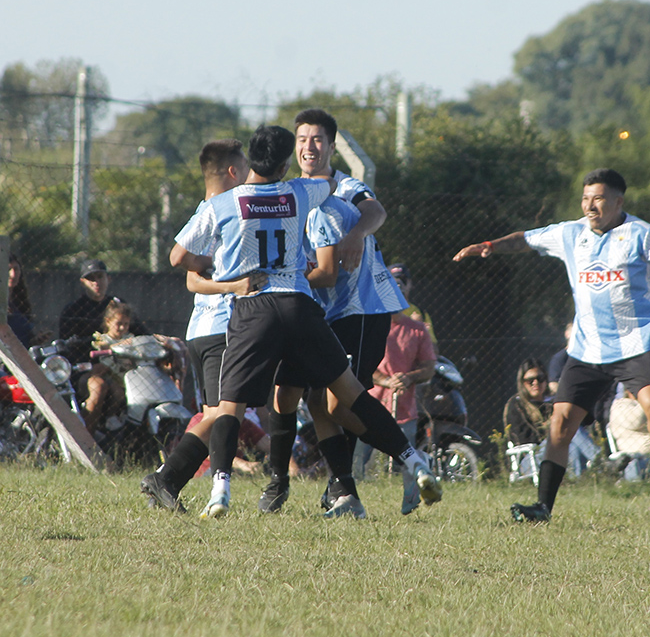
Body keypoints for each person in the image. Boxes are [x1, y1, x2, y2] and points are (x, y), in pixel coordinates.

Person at [168, 125, 440, 519]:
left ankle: (220, 490)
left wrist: (210, 267)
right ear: (283, 162)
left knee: (231, 405)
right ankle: (413, 460)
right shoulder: (298, 191)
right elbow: (328, 183)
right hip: (300, 305)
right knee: (350, 392)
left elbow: (178, 257)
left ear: (248, 164)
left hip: (254, 310)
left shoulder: (224, 204)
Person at [454, 167, 650, 522]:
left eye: (598, 199)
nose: (590, 206)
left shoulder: (641, 233)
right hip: (587, 348)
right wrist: (490, 246)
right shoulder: (571, 233)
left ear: (618, 201)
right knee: (560, 425)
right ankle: (543, 508)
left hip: (634, 343)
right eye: (585, 199)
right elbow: (525, 239)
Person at [291, 109, 426, 515]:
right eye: (302, 139)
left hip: (362, 309)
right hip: (326, 314)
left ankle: (403, 462)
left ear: (332, 147)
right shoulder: (294, 193)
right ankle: (346, 489)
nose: (309, 147)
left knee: (337, 402)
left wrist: (355, 234)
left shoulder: (346, 188)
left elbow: (376, 212)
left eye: (317, 140)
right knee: (322, 402)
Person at [141, 140, 267, 514]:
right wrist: (232, 282)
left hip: (203, 328)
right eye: (245, 165)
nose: (249, 172)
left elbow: (192, 278)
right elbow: (179, 259)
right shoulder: (221, 210)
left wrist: (212, 268)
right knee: (220, 415)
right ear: (232, 172)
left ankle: (168, 481)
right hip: (222, 327)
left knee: (220, 413)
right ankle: (166, 479)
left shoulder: (206, 211)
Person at [58, 259, 148, 438]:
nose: (96, 282)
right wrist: (91, 364)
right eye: (91, 278)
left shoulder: (118, 305)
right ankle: (86, 442)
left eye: (100, 277)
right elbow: (67, 346)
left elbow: (142, 334)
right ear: (83, 282)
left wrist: (160, 340)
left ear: (108, 278)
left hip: (120, 369)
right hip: (87, 370)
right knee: (99, 387)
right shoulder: (73, 309)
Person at [359, 309, 437, 473]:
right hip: (367, 408)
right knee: (356, 463)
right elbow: (361, 363)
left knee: (406, 467)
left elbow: (429, 367)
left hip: (405, 411)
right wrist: (386, 380)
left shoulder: (418, 329)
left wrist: (408, 378)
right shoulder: (368, 325)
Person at [388, 263, 437, 350]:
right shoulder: (379, 313)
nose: (399, 285)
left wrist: (423, 333)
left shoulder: (420, 313)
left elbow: (434, 352)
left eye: (403, 280)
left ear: (410, 283)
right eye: (394, 281)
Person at [6, 253, 37, 348]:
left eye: (16, 269)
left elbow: (24, 338)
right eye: (8, 270)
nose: (13, 274)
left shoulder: (20, 302)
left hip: (20, 358)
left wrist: (36, 340)